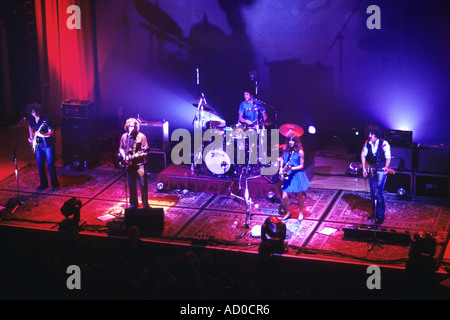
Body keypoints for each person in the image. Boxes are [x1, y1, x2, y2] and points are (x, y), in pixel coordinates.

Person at [361, 124, 391, 224]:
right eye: (369, 134)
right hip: (372, 169)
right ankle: (374, 213)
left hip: (381, 169)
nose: (370, 136)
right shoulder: (367, 143)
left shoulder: (384, 143)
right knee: (373, 192)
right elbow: (363, 155)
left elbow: (388, 157)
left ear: (376, 134)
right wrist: (364, 168)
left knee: (379, 192)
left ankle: (381, 215)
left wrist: (386, 167)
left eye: (372, 134)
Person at [27, 103, 60, 190]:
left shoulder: (45, 119)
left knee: (50, 164)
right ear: (31, 112)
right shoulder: (31, 119)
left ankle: (55, 184)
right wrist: (31, 136)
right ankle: (43, 184)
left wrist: (44, 134)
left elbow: (52, 132)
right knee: (40, 164)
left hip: (48, 144)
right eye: (33, 112)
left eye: (36, 111)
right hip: (38, 144)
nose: (35, 113)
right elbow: (30, 126)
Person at [119, 118, 150, 209]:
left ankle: (145, 204)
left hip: (140, 165)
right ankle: (133, 203)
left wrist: (138, 155)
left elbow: (146, 150)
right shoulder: (124, 137)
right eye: (129, 126)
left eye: (132, 126)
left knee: (143, 185)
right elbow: (120, 148)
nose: (131, 128)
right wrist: (124, 156)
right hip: (129, 165)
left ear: (136, 127)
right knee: (131, 184)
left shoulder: (141, 136)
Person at [278, 135, 311, 221]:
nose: (290, 142)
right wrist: (281, 169)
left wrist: (291, 168)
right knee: (284, 196)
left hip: (297, 174)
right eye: (289, 140)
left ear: (296, 142)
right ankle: (288, 212)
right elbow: (282, 160)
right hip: (287, 173)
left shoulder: (300, 152)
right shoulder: (285, 150)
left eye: (292, 141)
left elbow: (301, 166)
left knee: (299, 195)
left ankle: (301, 212)